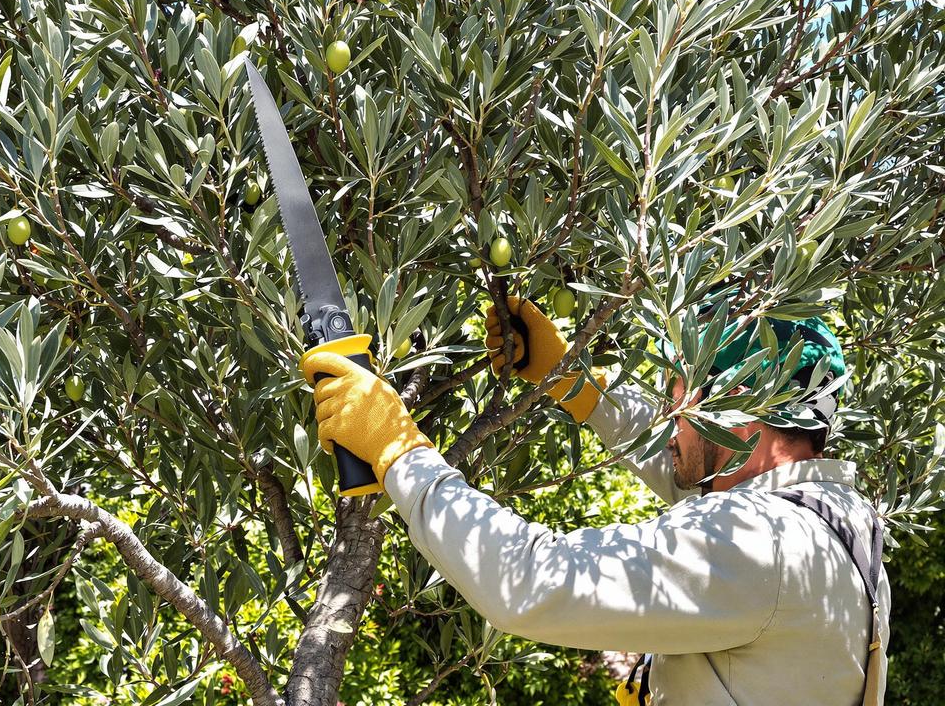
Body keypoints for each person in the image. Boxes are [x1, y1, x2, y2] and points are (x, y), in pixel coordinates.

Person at [299, 295, 889, 705]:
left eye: (676, 392)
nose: (667, 412)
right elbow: (676, 458)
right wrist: (566, 377)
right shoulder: (833, 523)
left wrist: (398, 450)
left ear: (735, 403)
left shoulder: (765, 545)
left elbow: (532, 579)